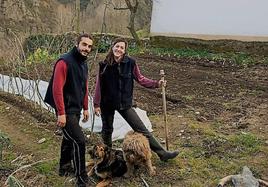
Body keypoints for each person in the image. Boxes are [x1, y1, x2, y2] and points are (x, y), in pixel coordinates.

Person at [93, 38, 179, 162]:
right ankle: (107, 156)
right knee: (107, 130)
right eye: (117, 46)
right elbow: (98, 86)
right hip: (107, 103)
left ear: (124, 51)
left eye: (122, 48)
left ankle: (162, 154)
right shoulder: (104, 65)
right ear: (112, 47)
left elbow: (141, 79)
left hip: (125, 103)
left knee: (141, 129)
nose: (119, 49)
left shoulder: (130, 63)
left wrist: (157, 83)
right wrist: (96, 104)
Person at [44, 33, 93, 187]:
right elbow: (56, 89)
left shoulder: (83, 64)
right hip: (65, 108)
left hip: (76, 107)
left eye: (90, 46)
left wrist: (85, 107)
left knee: (68, 139)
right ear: (77, 44)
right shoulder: (64, 61)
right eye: (84, 45)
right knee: (79, 140)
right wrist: (61, 113)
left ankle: (64, 167)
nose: (87, 48)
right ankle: (81, 177)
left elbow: (84, 87)